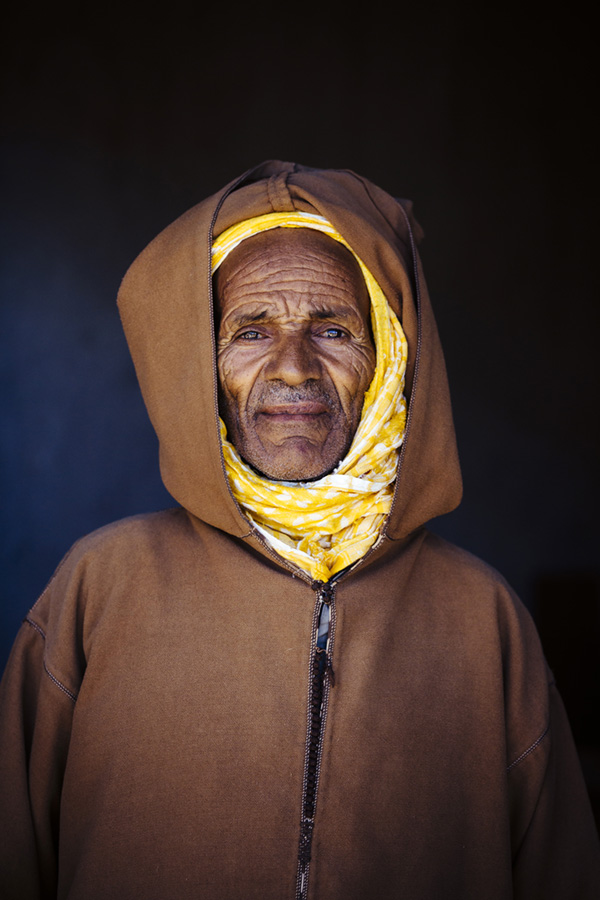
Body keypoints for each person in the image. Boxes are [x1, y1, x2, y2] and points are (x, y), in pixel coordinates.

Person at [1, 160, 598, 900]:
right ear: (201, 366)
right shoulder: (99, 587)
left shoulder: (483, 618)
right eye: (250, 331)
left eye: (334, 329)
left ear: (385, 360)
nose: (293, 368)